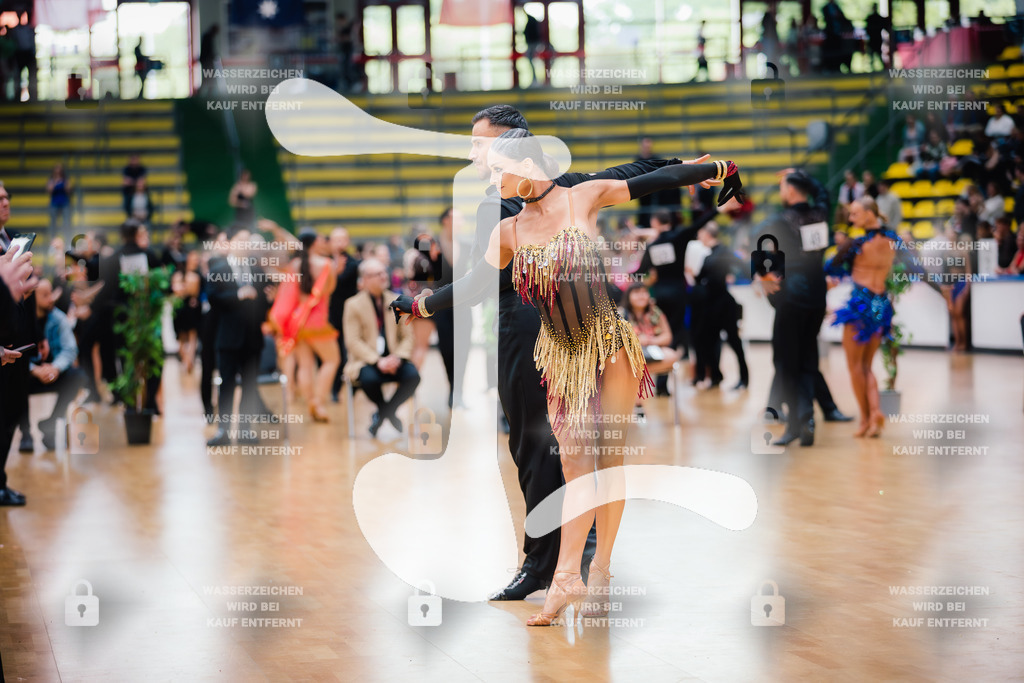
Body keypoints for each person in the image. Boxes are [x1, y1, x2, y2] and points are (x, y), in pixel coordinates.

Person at [394, 129, 742, 625]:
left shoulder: (584, 196)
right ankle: (566, 577)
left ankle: (598, 568)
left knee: (607, 460)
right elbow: (473, 284)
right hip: (560, 354)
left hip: (607, 344)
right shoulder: (508, 231)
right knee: (576, 464)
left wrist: (717, 168)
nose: (492, 180)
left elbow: (657, 178)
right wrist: (423, 302)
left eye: (498, 169)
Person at [753, 169, 830, 447]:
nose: (781, 191)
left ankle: (796, 424)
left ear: (791, 191)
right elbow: (823, 192)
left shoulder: (779, 220)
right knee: (808, 357)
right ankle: (807, 419)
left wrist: (761, 273)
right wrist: (801, 176)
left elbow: (756, 239)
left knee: (786, 362)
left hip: (793, 293)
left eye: (784, 186)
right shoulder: (821, 212)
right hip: (818, 291)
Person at [206, 230, 270, 446]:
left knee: (250, 385)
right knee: (227, 385)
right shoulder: (218, 268)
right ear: (230, 242)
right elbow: (213, 298)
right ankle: (223, 430)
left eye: (247, 241)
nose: (245, 244)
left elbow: (264, 303)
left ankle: (245, 430)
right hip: (228, 336)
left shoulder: (256, 268)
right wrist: (238, 295)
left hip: (253, 337)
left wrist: (269, 299)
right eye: (240, 240)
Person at [343, 258, 419, 437]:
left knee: (413, 376)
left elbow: (408, 337)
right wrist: (378, 361)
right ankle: (389, 413)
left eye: (384, 272)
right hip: (367, 361)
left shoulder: (397, 301)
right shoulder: (353, 305)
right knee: (368, 380)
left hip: (394, 358)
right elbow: (353, 341)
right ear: (366, 279)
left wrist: (398, 357)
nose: (384, 276)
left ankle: (383, 414)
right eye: (377, 274)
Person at [268, 229, 339, 422]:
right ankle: (319, 402)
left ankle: (310, 403)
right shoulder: (327, 264)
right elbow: (329, 289)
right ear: (315, 242)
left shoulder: (295, 264)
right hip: (317, 322)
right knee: (332, 360)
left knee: (305, 365)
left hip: (298, 323)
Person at [0, 182, 40, 505]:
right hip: (1, 348)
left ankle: (0, 480)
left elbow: (24, 296)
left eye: (6, 197)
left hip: (20, 345)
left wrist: (36, 340)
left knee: (12, 413)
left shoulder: (10, 240)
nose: (4, 202)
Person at [19, 278, 87, 451]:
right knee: (15, 379)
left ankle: (49, 423)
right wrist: (34, 371)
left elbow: (70, 349)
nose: (51, 298)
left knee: (78, 376)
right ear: (32, 297)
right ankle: (25, 434)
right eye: (45, 295)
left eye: (51, 293)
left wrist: (55, 367)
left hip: (52, 373)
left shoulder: (58, 318)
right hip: (28, 376)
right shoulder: (21, 320)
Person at [692, 223, 749, 390]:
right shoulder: (712, 254)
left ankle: (742, 378)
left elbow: (744, 267)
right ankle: (717, 376)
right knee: (710, 341)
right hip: (713, 304)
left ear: (707, 234)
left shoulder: (720, 253)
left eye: (700, 233)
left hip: (721, 304)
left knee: (732, 341)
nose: (698, 237)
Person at [620, 282, 681, 416]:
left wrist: (651, 340)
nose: (641, 296)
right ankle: (637, 403)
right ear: (628, 296)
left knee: (672, 355)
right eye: (636, 293)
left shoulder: (656, 313)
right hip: (631, 355)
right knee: (632, 363)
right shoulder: (621, 314)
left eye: (644, 292)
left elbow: (667, 336)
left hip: (653, 352)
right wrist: (636, 341)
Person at [327, 227, 361, 399]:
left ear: (347, 241)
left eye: (343, 239)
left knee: (345, 352)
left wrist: (334, 272)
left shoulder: (353, 263)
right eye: (336, 239)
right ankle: (331, 387)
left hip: (347, 315)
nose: (339, 243)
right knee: (329, 353)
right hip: (327, 315)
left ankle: (344, 387)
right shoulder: (323, 260)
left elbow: (339, 282)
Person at [171, 250, 202, 374]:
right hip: (189, 309)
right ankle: (189, 360)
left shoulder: (176, 277)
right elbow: (195, 294)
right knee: (192, 336)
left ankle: (186, 360)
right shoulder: (194, 277)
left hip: (180, 308)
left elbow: (176, 293)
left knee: (182, 338)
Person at [47, 164, 72, 239]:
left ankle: (67, 239)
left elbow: (69, 190)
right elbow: (49, 191)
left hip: (64, 203)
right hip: (54, 203)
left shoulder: (65, 180)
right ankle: (53, 239)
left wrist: (63, 183)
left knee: (66, 223)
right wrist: (55, 182)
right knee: (53, 224)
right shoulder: (51, 180)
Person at [521, 9, 544, 87]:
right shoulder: (532, 21)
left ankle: (536, 80)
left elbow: (531, 33)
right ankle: (536, 80)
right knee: (531, 61)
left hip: (532, 44)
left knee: (532, 60)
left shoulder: (531, 21)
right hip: (533, 44)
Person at [865, 5, 885, 70]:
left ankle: (881, 68)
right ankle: (873, 68)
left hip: (876, 39)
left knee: (877, 54)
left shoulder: (875, 18)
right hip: (874, 39)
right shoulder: (872, 18)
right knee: (873, 54)